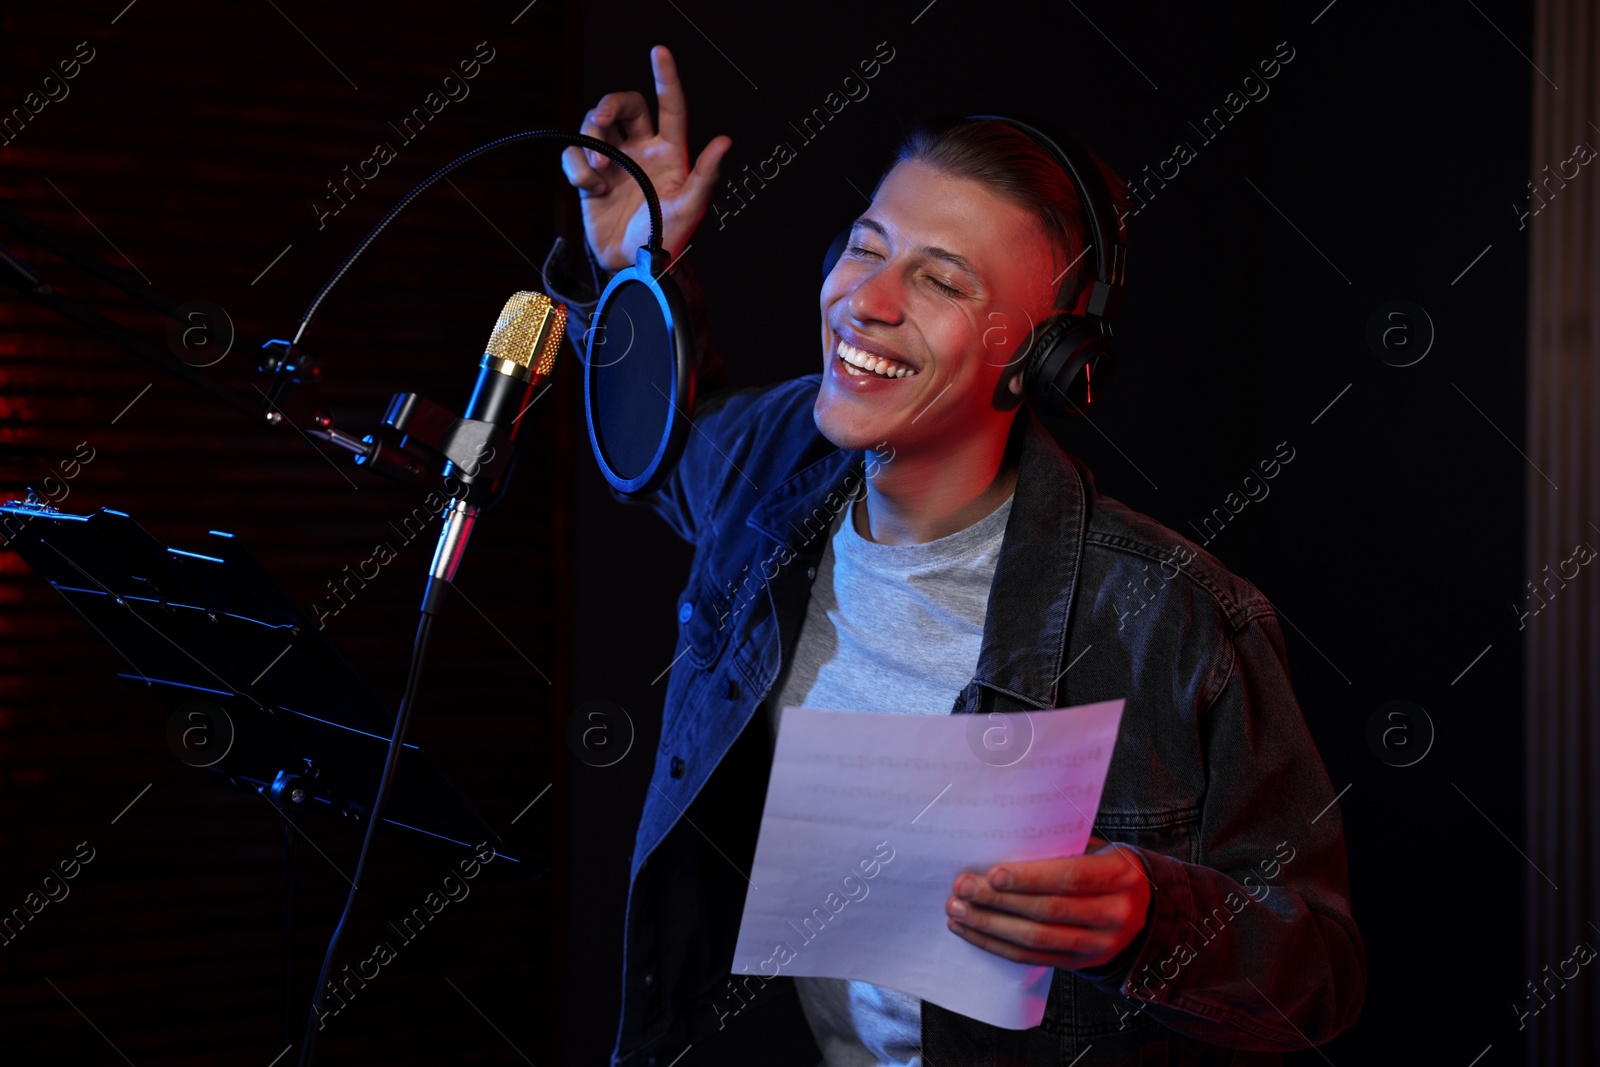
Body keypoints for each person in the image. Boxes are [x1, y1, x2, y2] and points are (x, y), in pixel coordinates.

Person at [544, 44, 1365, 1067]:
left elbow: (1318, 974)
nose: (866, 301)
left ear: (1049, 357)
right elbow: (668, 445)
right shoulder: (769, 467)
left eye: (938, 279)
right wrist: (632, 269)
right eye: (865, 244)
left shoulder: (1173, 616)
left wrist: (1150, 920)